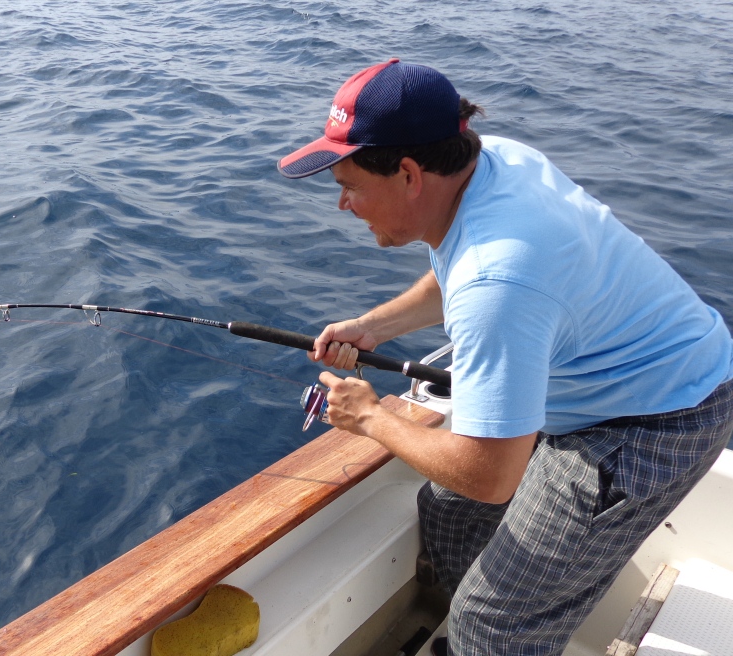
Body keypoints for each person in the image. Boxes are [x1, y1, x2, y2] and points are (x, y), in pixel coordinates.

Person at [277, 58, 733, 655]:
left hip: (653, 422)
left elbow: (490, 477)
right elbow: (459, 268)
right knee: (449, 509)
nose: (343, 204)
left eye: (351, 185)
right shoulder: (492, 162)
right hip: (622, 379)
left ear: (409, 174)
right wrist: (374, 327)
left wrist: (369, 417)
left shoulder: (497, 282)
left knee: (493, 621)